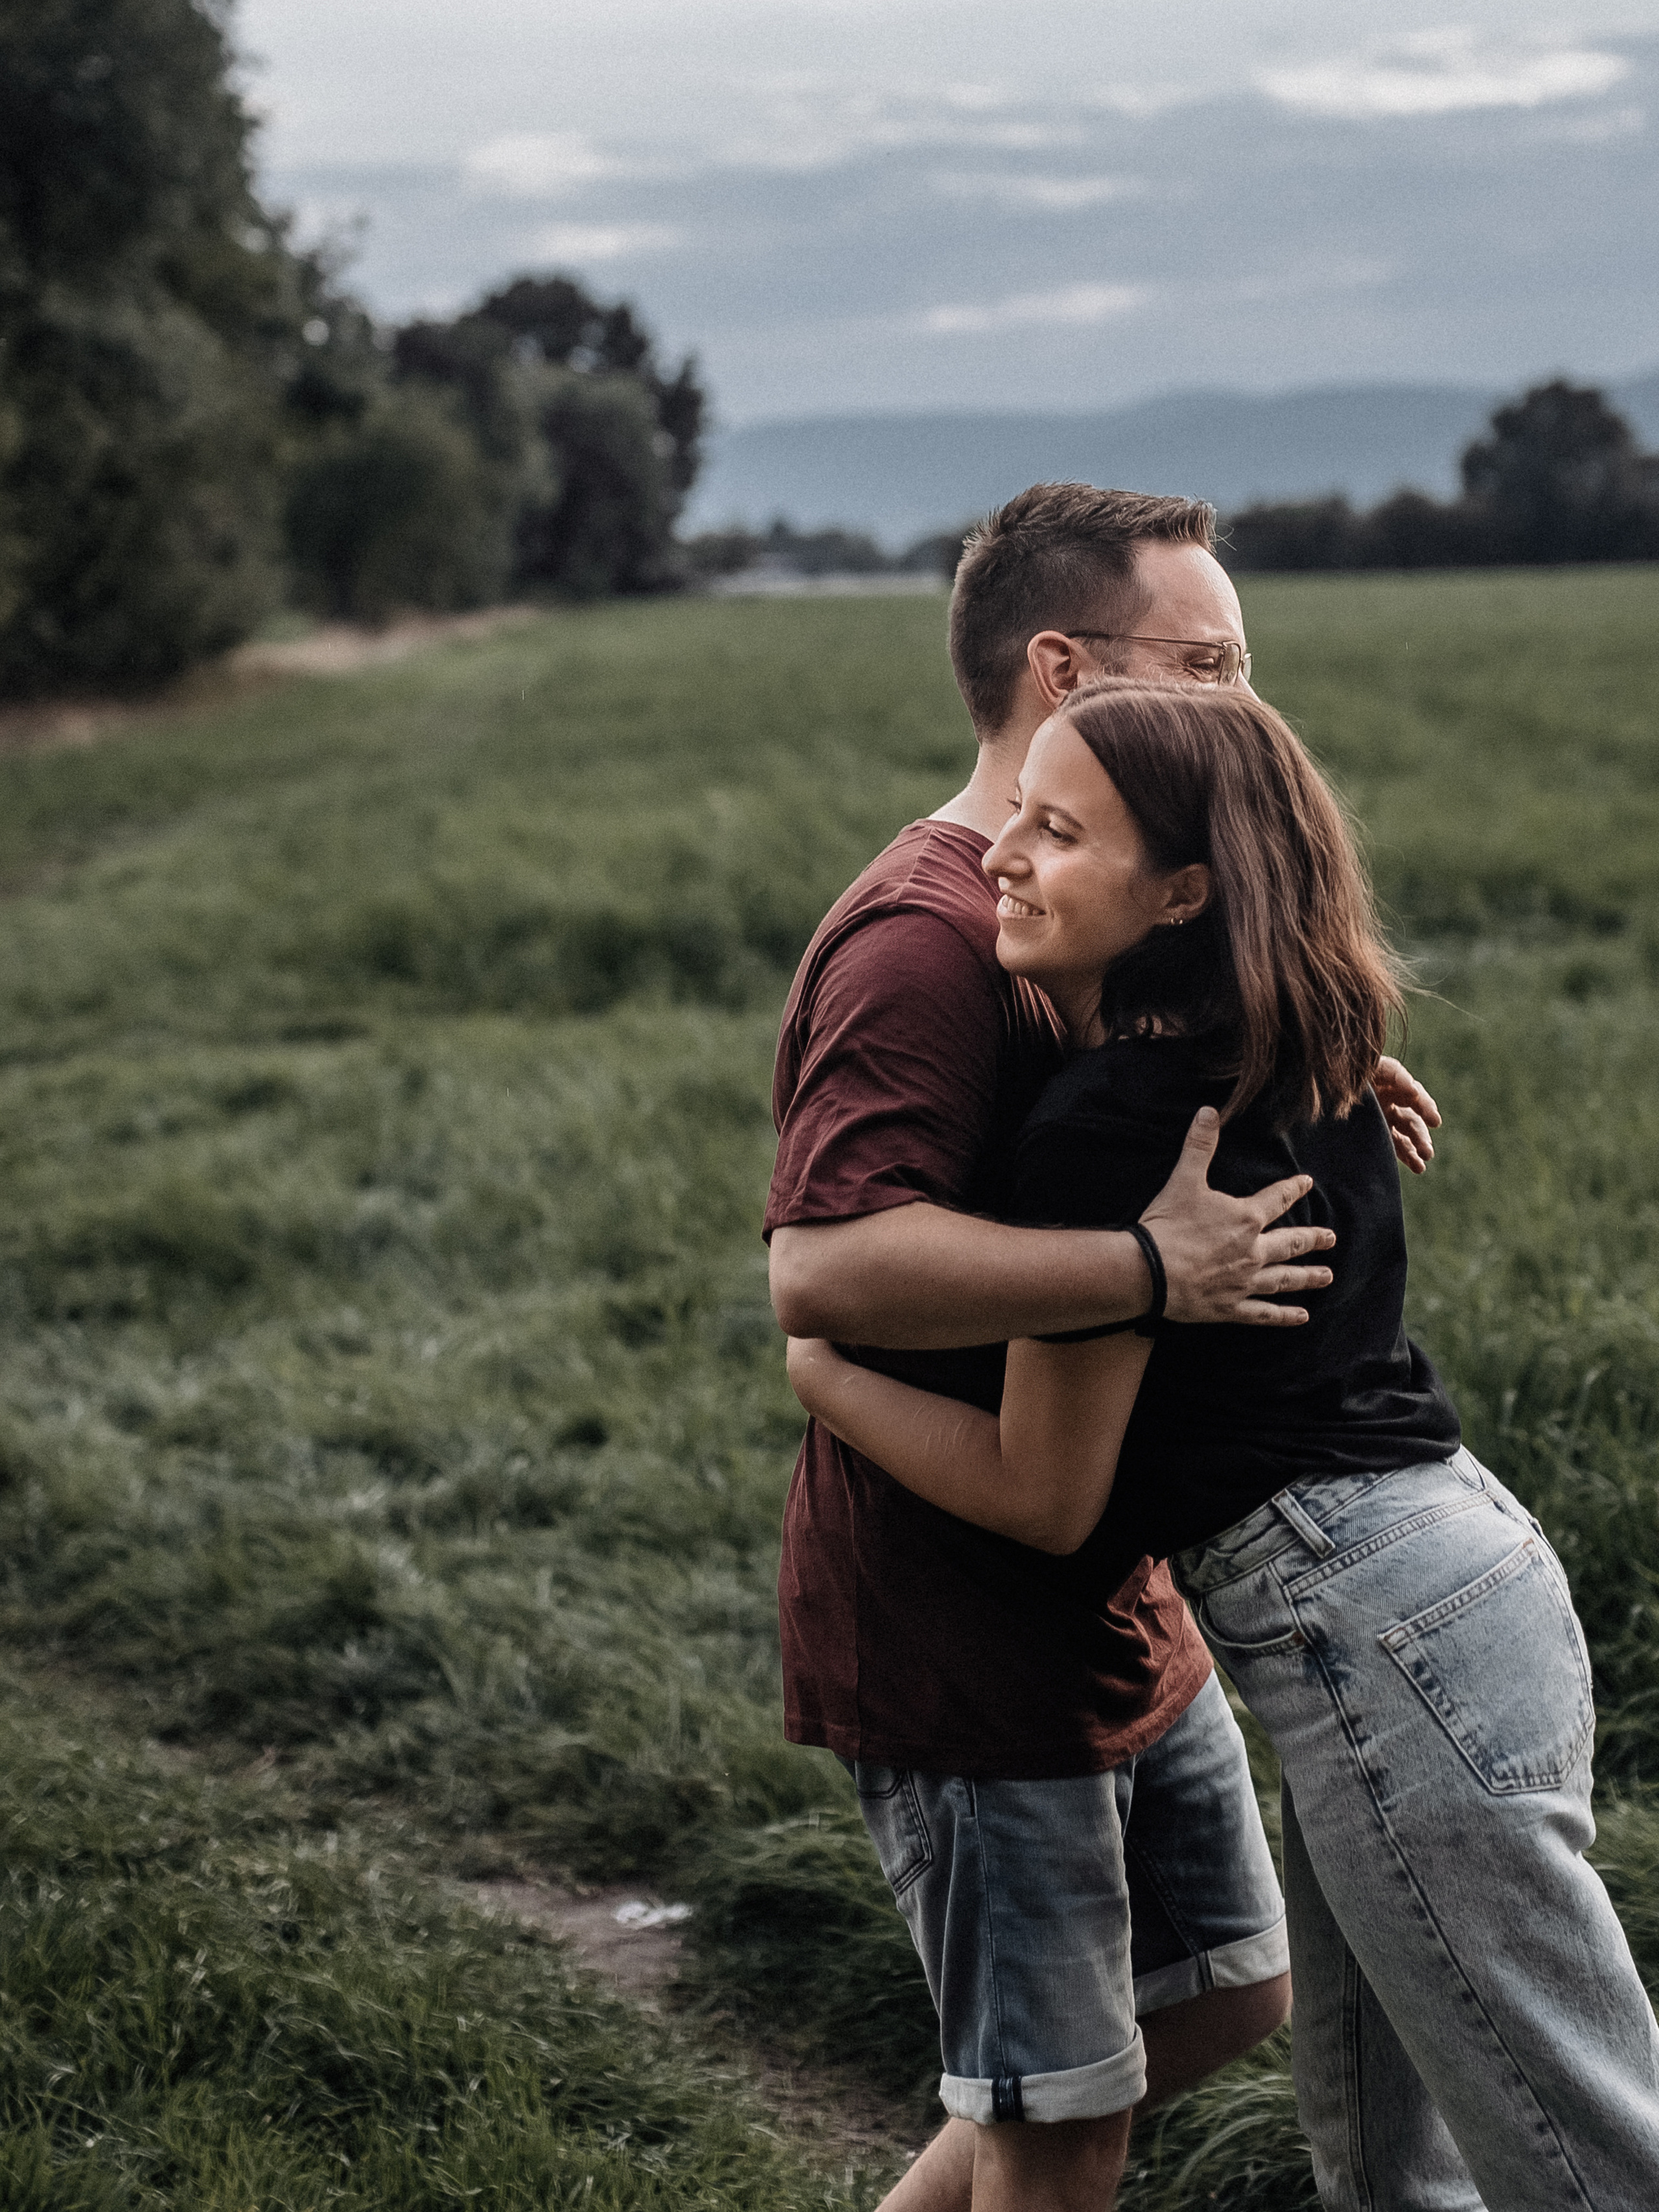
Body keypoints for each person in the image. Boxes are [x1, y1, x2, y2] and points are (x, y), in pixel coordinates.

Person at [787, 677, 1659, 2211]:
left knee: (1574, 2157)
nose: (1001, 852)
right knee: (1396, 2165)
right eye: (1017, 818)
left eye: (1055, 834)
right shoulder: (1291, 1039)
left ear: (1179, 893)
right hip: (1461, 1574)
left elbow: (1043, 1499)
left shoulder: (1120, 1135)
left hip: (1368, 1629)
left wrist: (829, 1373)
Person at [766, 483, 1441, 2212]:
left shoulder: (1096, 913)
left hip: (1112, 1589)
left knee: (1224, 1986)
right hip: (966, 1609)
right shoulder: (926, 937)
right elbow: (823, 1266)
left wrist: (1293, 1069)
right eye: (1209, 664)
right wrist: (1148, 1265)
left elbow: (1126, 1065)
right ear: (1063, 671)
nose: (1250, 704)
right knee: (1062, 2126)